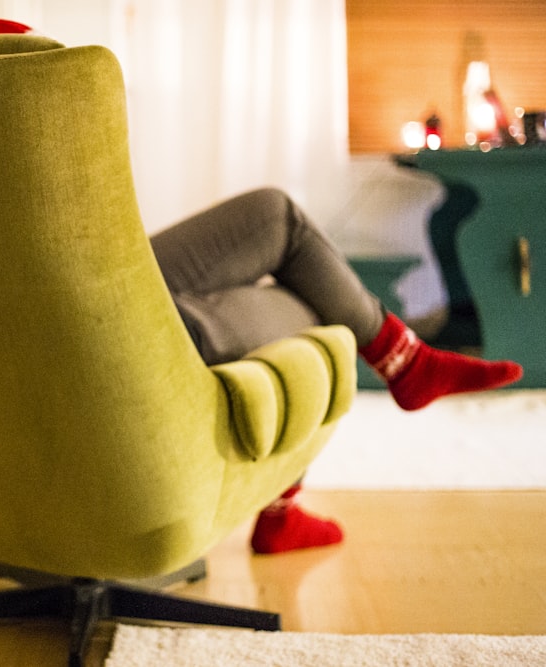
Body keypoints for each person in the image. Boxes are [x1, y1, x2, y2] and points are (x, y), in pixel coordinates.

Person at [149, 188, 523, 555]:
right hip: (142, 329)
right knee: (297, 266)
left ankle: (403, 361)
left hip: (115, 306)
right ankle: (402, 360)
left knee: (286, 238)